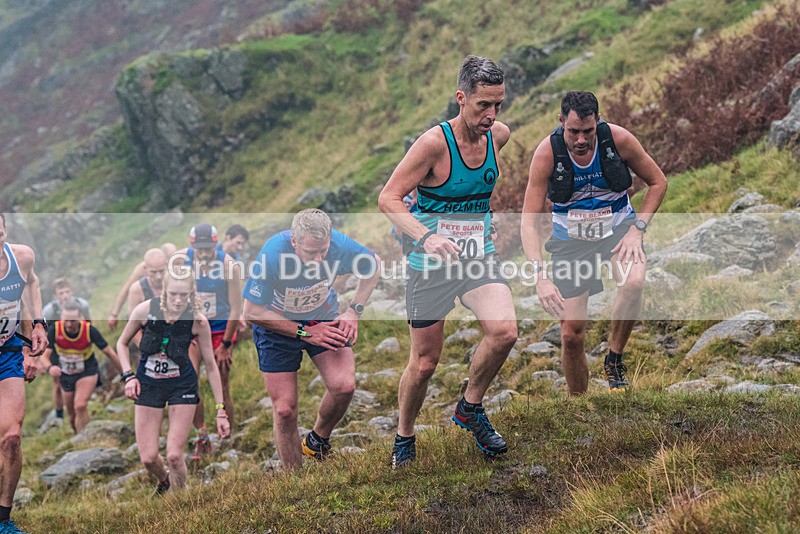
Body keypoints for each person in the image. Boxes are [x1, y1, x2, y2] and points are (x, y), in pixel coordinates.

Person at [378, 55, 518, 467]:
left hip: (477, 258)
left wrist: (480, 222)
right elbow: (387, 198)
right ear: (461, 98)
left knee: (505, 332)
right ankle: (404, 436)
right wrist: (428, 236)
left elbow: (475, 192)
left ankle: (469, 407)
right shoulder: (433, 145)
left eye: (498, 105)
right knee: (424, 364)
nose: (491, 115)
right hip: (430, 264)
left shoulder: (499, 136)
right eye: (482, 106)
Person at [520, 91, 668, 395]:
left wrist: (637, 230)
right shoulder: (547, 153)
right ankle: (580, 403)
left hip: (618, 229)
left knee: (633, 283)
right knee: (571, 335)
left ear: (597, 121)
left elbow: (658, 182)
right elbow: (528, 221)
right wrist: (540, 276)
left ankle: (614, 359)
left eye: (588, 131)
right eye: (573, 131)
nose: (581, 139)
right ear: (561, 122)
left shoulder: (619, 140)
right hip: (571, 242)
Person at [242, 209, 380, 469]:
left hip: (322, 317)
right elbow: (251, 312)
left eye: (323, 251)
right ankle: (294, 480)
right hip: (276, 328)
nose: (318, 259)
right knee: (284, 409)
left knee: (344, 386)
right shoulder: (273, 253)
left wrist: (354, 311)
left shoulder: (339, 244)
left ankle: (317, 441)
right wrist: (305, 333)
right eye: (309, 253)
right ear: (294, 242)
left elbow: (373, 266)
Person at [116, 266, 230, 493]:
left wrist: (220, 410)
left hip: (182, 385)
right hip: (149, 384)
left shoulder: (198, 321)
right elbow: (121, 343)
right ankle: (164, 481)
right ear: (165, 291)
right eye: (173, 294)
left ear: (191, 294)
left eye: (184, 295)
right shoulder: (145, 310)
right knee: (148, 458)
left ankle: (179, 504)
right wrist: (128, 377)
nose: (178, 300)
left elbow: (210, 366)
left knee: (175, 456)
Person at [174, 224, 241, 458]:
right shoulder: (181, 262)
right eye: (199, 249)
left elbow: (235, 309)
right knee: (190, 384)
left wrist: (226, 344)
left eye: (208, 248)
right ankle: (202, 436)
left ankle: (226, 435)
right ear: (192, 245)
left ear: (216, 244)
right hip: (192, 330)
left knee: (222, 386)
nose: (203, 253)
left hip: (219, 331)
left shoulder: (228, 265)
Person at [0, 212, 48, 533]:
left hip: (8, 353)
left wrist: (38, 325)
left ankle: (3, 520)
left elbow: (30, 283)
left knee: (12, 437)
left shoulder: (22, 257)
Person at [42, 301, 121, 432]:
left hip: (87, 371)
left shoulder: (89, 330)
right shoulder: (55, 330)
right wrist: (49, 368)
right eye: (66, 320)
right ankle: (79, 436)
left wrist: (125, 373)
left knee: (80, 405)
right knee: (72, 415)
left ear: (80, 318)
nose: (69, 324)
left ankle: (84, 440)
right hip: (66, 374)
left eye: (72, 321)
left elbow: (109, 352)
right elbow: (44, 357)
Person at [42, 277, 92, 427]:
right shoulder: (50, 310)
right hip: (56, 345)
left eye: (67, 291)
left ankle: (79, 407)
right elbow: (43, 333)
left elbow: (89, 324)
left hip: (77, 343)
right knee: (58, 382)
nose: (65, 295)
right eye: (61, 293)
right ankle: (59, 413)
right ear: (55, 296)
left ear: (72, 291)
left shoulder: (81, 304)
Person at [108, 242, 177, 329]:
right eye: (154, 272)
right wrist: (114, 314)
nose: (158, 276)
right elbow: (127, 289)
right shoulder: (142, 269)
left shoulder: (174, 267)